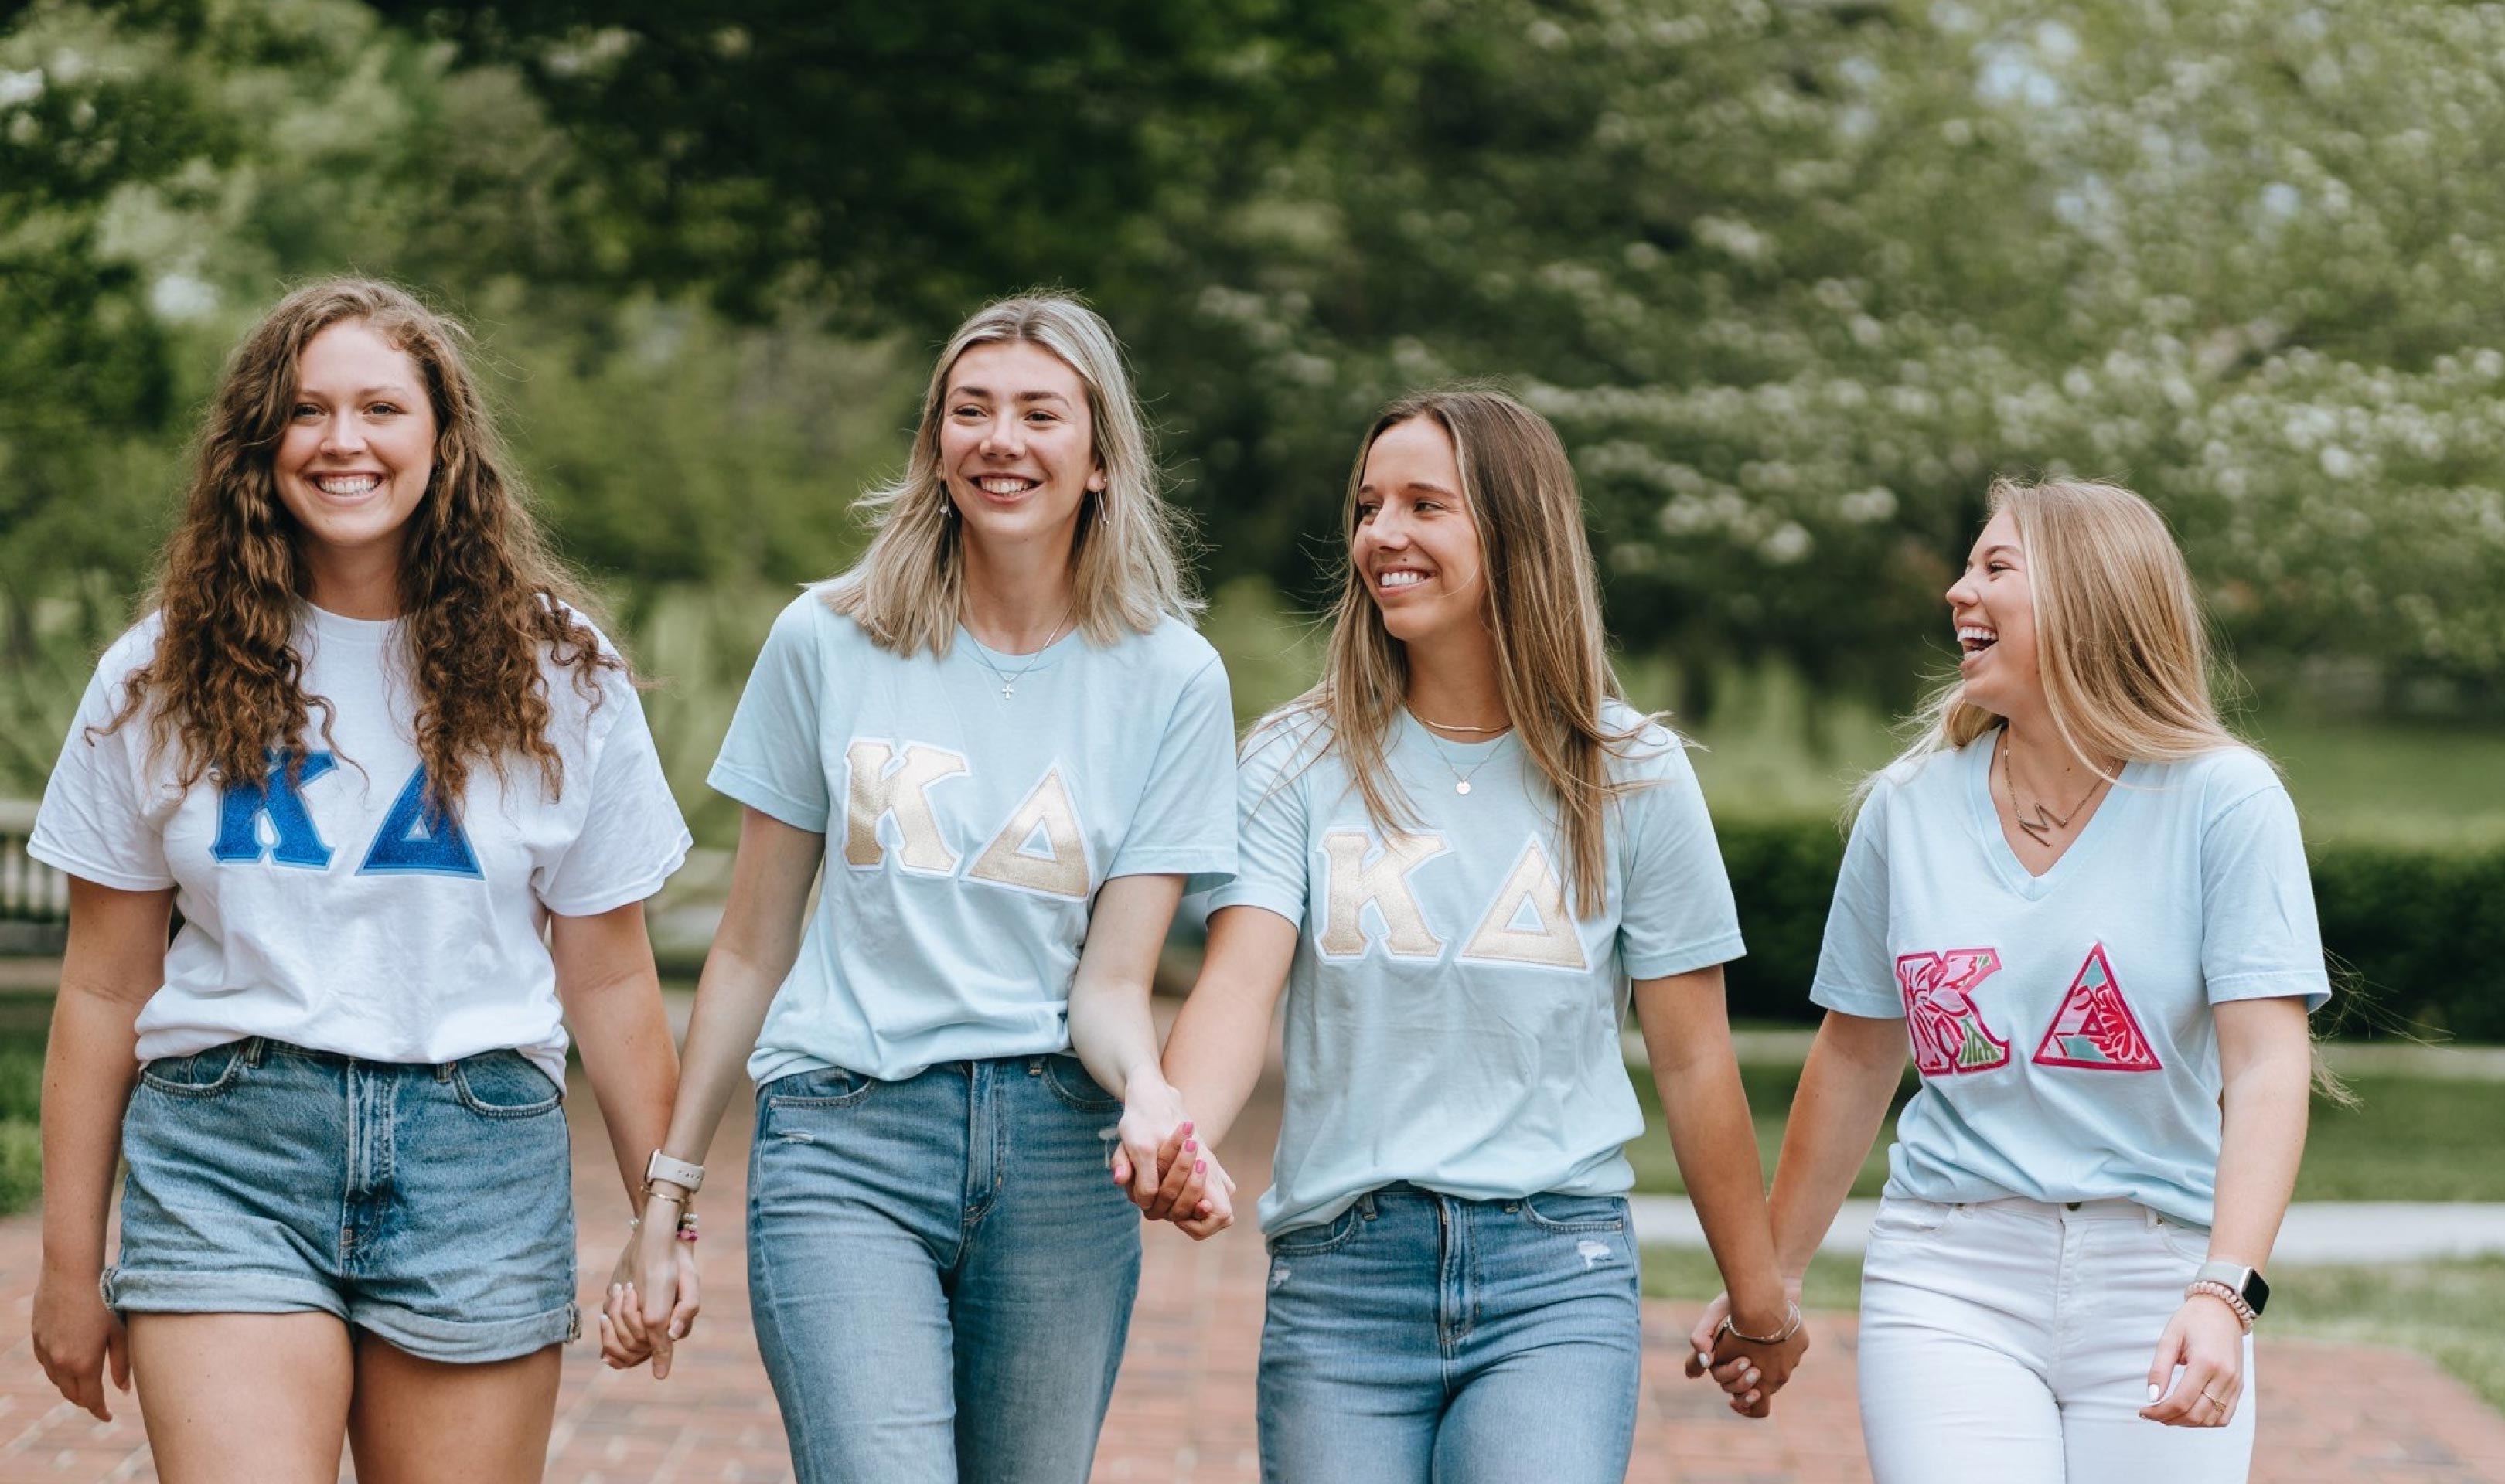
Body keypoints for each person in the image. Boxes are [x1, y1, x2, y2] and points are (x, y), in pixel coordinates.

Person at [26, 277, 691, 1483]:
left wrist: (665, 1217)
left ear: (442, 438)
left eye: (381, 408)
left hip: (476, 1153)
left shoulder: (560, 673)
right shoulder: (161, 670)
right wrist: (68, 1261)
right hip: (230, 1151)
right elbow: (105, 986)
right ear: (258, 443)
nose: (344, 442)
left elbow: (608, 973)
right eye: (307, 411)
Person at [612, 293, 1235, 1483]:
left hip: (1060, 1155)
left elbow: (1112, 981)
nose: (1002, 440)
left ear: (1101, 459)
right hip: (847, 1139)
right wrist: (668, 1193)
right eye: (971, 411)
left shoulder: (1173, 680)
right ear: (935, 444)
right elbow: (749, 945)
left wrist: (1152, 1093)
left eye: (1040, 414)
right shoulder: (827, 640)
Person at [1133, 388, 1805, 1483]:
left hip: (1556, 1274)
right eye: (1368, 505)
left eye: (1423, 505)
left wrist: (1763, 1304)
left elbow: (1694, 1062)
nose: (1381, 535)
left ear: (1515, 532)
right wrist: (1185, 1139)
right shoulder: (1294, 760)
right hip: (1343, 1279)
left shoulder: (1631, 773)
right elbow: (1238, 988)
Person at [1689, 477, 2326, 1479]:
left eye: (1994, 567)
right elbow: (1856, 1055)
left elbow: (2267, 1066)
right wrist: (1774, 1277)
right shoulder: (1906, 808)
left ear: (2088, 596)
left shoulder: (2224, 801)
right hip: (1949, 1275)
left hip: (2158, 1273)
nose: (1956, 591)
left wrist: (2224, 1292)